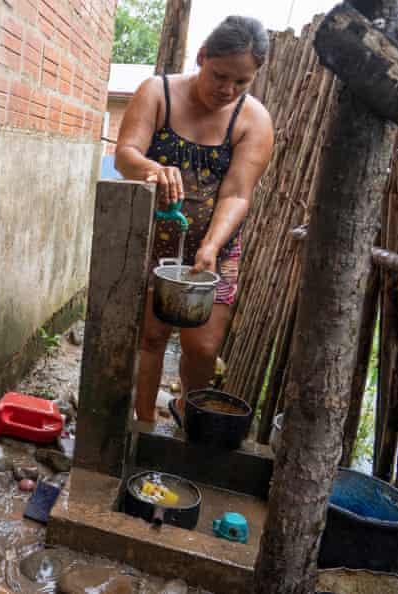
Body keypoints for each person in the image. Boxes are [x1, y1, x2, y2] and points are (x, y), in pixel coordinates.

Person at [115, 16, 275, 424]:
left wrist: (211, 245)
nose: (228, 90)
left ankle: (188, 416)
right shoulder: (158, 92)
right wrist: (151, 167)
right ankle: (145, 422)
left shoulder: (253, 120)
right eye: (221, 75)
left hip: (214, 246)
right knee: (150, 337)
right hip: (152, 240)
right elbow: (125, 154)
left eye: (242, 81)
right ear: (202, 57)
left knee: (203, 347)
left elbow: (238, 192)